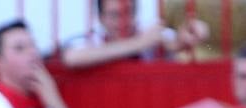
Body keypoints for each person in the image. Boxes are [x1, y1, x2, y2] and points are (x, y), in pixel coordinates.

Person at [61, 0, 209, 69]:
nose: (123, 22)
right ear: (101, 18)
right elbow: (72, 58)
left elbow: (176, 41)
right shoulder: (92, 41)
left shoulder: (148, 34)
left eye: (128, 12)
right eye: (114, 15)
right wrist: (139, 44)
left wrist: (194, 32)